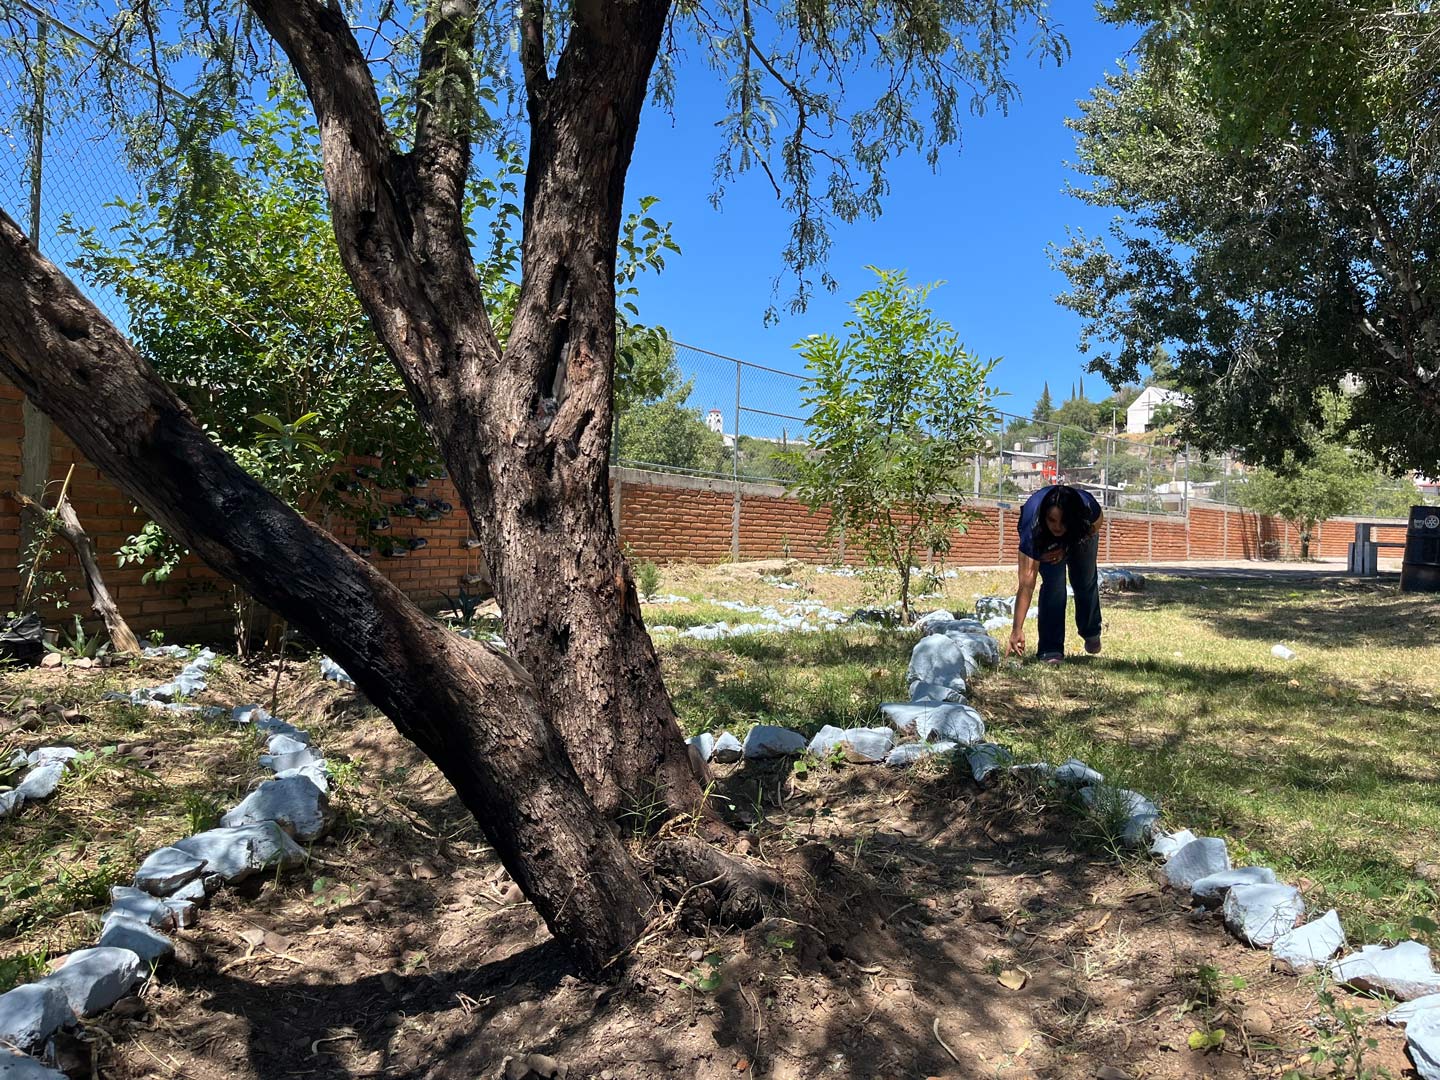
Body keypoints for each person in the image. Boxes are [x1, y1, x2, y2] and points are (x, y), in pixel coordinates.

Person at [1008, 484, 1104, 663]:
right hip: (1045, 540)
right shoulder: (1032, 527)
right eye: (1052, 520)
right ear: (1045, 516)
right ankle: (1050, 649)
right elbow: (1027, 584)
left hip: (1080, 534)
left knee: (1084, 578)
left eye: (1063, 521)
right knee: (1054, 585)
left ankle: (1091, 631)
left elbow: (1098, 522)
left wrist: (1068, 546)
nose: (1057, 527)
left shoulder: (1087, 507)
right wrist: (1017, 629)